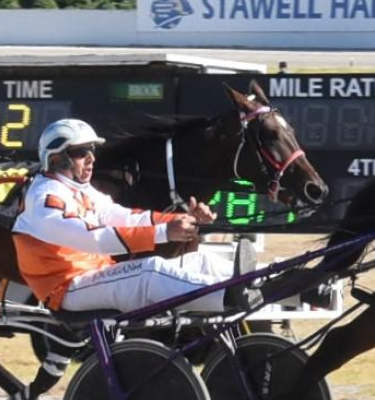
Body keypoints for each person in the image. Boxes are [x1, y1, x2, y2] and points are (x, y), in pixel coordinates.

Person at [13, 119, 257, 314]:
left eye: (92, 149)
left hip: (93, 276)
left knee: (199, 262)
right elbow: (94, 239)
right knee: (151, 270)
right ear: (55, 159)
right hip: (67, 288)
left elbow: (121, 216)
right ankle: (231, 295)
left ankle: (271, 281)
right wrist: (163, 233)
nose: (91, 158)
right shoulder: (44, 199)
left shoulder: (79, 190)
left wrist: (174, 221)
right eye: (81, 152)